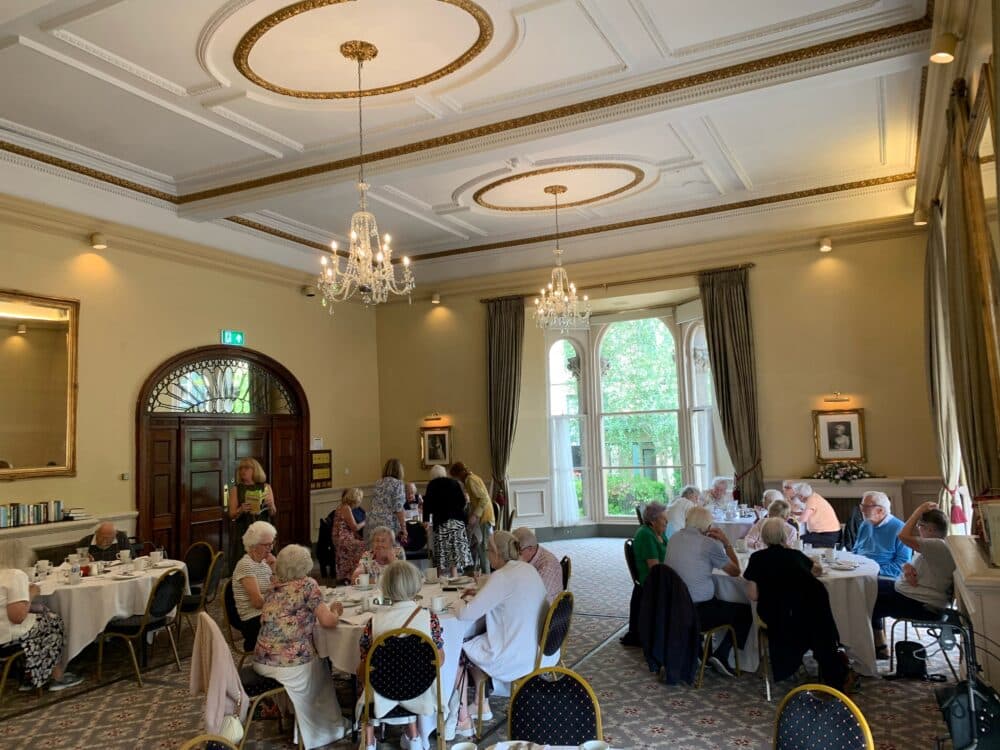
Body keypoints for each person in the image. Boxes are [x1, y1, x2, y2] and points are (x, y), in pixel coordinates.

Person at [453, 531, 548, 737]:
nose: (487, 555)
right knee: (478, 637)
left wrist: (457, 602)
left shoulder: (502, 576)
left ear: (496, 553)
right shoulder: (527, 569)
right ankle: (481, 703)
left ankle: (464, 718)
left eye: (488, 551)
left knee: (460, 647)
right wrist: (480, 593)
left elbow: (466, 614)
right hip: (541, 647)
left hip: (516, 654)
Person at [743, 518, 855, 692]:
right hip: (809, 615)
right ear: (784, 537)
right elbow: (817, 571)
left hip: (777, 616)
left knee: (781, 617)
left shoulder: (757, 558)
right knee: (811, 622)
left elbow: (753, 595)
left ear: (763, 537)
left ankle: (793, 664)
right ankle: (831, 672)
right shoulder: (796, 556)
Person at [253, 544, 347, 749]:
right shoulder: (307, 585)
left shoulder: (273, 586)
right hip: (290, 666)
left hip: (262, 660)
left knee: (316, 658)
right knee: (322, 664)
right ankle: (327, 728)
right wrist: (336, 611)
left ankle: (293, 716)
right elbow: (328, 622)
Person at [356, 561, 444, 750]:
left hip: (383, 694)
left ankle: (369, 739)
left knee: (362, 675)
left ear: (385, 587)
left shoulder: (374, 621)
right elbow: (440, 659)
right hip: (419, 691)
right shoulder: (430, 618)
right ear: (416, 585)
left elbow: (365, 666)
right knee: (412, 670)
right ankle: (414, 737)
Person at [663, 506, 751, 677]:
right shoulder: (708, 544)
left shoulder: (673, 538)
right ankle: (722, 654)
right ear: (708, 526)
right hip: (697, 611)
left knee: (711, 597)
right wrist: (726, 543)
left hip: (673, 606)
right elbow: (735, 571)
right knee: (744, 611)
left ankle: (700, 651)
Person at [870, 502, 955, 659]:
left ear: (930, 529)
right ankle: (877, 642)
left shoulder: (936, 544)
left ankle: (876, 645)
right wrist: (907, 568)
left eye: (920, 526)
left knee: (866, 597)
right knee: (868, 584)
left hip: (922, 605)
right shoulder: (934, 547)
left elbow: (902, 536)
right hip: (913, 596)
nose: (918, 529)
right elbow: (918, 565)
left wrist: (918, 510)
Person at [0, 540, 82, 691]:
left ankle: (32, 675)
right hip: (5, 636)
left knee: (43, 620)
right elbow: (17, 617)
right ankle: (55, 676)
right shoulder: (15, 575)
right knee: (53, 622)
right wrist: (31, 594)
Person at [621, 502, 669, 647]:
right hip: (651, 579)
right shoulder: (646, 535)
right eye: (664, 519)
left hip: (661, 574)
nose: (667, 521)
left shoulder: (660, 532)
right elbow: (654, 568)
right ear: (653, 520)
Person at [231, 520, 277, 651]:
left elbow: (280, 586)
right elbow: (257, 602)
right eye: (266, 545)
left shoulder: (263, 563)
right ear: (253, 546)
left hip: (266, 613)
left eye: (272, 543)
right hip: (253, 619)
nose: (271, 548)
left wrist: (274, 567)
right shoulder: (245, 565)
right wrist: (276, 592)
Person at [228, 458, 276, 576]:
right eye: (241, 468)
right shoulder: (236, 489)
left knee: (265, 564)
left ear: (255, 470)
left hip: (263, 529)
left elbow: (273, 512)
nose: (243, 471)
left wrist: (270, 506)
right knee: (244, 564)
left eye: (247, 468)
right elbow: (232, 514)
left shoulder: (266, 487)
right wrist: (241, 509)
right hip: (244, 529)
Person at [853, 491, 911, 578]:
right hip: (859, 571)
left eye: (866, 507)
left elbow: (902, 564)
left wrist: (875, 572)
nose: (862, 510)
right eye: (862, 506)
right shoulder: (865, 524)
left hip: (883, 575)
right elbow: (855, 550)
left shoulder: (900, 528)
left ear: (880, 510)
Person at [423, 475, 472, 578]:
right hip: (457, 522)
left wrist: (426, 520)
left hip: (442, 523)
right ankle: (454, 578)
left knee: (442, 555)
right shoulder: (454, 482)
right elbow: (463, 502)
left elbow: (427, 505)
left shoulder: (432, 484)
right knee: (455, 555)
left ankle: (440, 580)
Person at [450, 461, 495, 574]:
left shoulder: (470, 480)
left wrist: (475, 515)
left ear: (460, 473)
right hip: (483, 515)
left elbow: (484, 498)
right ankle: (477, 572)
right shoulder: (471, 478)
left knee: (484, 548)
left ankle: (487, 575)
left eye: (456, 477)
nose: (457, 480)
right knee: (479, 545)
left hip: (485, 516)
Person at [512, 527, 563, 603]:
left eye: (518, 551)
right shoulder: (535, 553)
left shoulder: (546, 566)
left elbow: (533, 597)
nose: (514, 555)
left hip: (547, 609)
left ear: (530, 549)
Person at [367, 459, 407, 546]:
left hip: (373, 521)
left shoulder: (378, 483)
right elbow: (398, 508)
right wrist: (404, 528)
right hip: (388, 523)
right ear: (399, 470)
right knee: (390, 552)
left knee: (377, 551)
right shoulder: (398, 484)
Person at [332, 488, 367, 583]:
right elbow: (355, 527)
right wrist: (365, 522)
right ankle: (355, 573)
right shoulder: (346, 508)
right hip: (342, 538)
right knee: (364, 546)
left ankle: (352, 573)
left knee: (362, 542)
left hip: (342, 536)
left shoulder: (343, 507)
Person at [793, 482, 841, 548]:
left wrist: (790, 520)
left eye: (796, 495)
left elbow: (803, 519)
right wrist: (793, 513)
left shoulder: (811, 500)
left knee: (797, 541)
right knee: (799, 540)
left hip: (827, 535)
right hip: (829, 533)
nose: (796, 498)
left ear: (801, 496)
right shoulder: (814, 496)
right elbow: (807, 513)